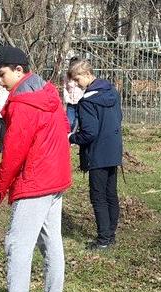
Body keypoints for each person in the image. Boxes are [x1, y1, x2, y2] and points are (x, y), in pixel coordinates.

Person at [0, 46, 72, 292]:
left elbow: (13, 153)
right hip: (56, 178)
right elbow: (64, 127)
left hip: (36, 181)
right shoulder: (46, 92)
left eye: (2, 73)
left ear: (19, 70)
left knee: (17, 244)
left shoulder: (22, 104)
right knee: (51, 241)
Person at [67, 59, 123, 251]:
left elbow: (89, 133)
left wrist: (70, 138)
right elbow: (119, 118)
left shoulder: (87, 101)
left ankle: (103, 239)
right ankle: (111, 234)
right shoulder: (112, 92)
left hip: (98, 153)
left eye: (77, 79)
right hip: (113, 150)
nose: (75, 83)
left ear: (88, 74)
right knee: (110, 194)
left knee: (98, 196)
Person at [63, 57, 84, 132]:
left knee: (78, 121)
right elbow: (64, 87)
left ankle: (74, 136)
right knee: (70, 122)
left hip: (80, 102)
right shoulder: (67, 76)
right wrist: (66, 98)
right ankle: (70, 135)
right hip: (71, 103)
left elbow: (85, 88)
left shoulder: (82, 76)